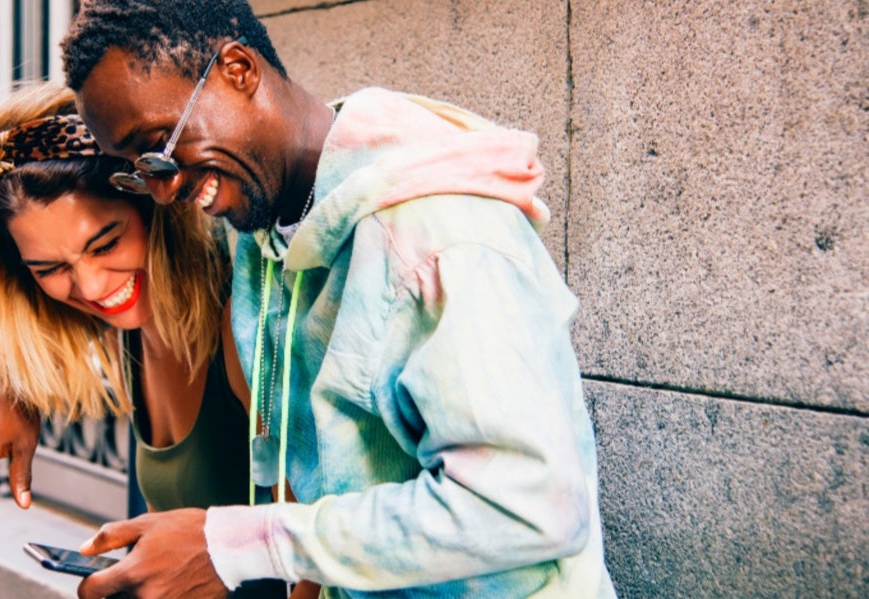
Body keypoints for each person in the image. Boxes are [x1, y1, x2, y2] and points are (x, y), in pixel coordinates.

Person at [53, 1, 618, 598]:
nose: (164, 191)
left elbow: (526, 508)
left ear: (238, 70)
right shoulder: (269, 219)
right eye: (137, 170)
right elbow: (46, 211)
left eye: (158, 146)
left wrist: (242, 545)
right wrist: (11, 390)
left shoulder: (437, 239)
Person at [0, 82, 309, 598]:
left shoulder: (238, 321)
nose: (90, 286)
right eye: (50, 268)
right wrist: (12, 384)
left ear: (152, 206)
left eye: (105, 242)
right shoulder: (131, 325)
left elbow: (314, 557)